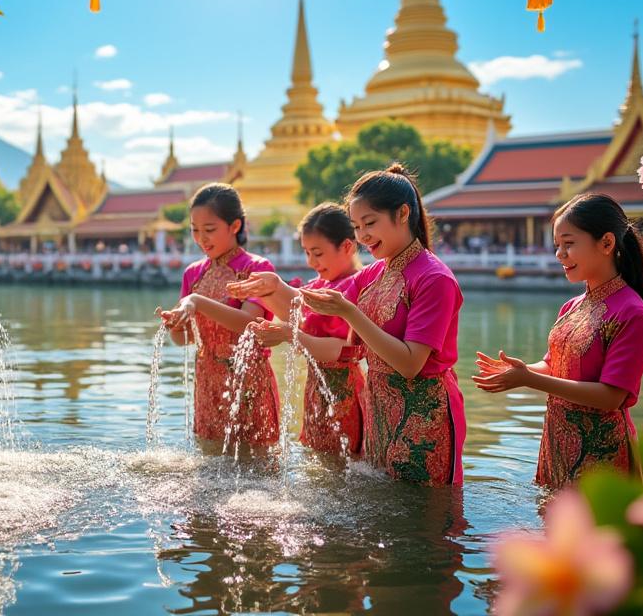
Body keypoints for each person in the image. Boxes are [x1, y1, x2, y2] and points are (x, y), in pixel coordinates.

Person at [294, 166, 465, 485]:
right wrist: (274, 287)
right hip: (379, 410)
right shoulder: (375, 273)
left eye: (370, 223)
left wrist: (351, 313)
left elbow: (411, 363)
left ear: (403, 213)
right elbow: (320, 302)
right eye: (357, 227)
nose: (362, 236)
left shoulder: (434, 278)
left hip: (425, 415)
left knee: (423, 507)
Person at [473, 193, 643, 488]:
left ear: (606, 243)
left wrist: (529, 380)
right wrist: (520, 371)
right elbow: (554, 365)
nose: (559, 254)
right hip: (558, 445)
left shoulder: (633, 314)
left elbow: (611, 397)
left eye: (569, 244)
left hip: (603, 454)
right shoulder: (572, 307)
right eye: (557, 245)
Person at [156, 183, 278, 452]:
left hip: (248, 380)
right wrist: (175, 326)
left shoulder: (256, 268)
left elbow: (248, 324)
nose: (201, 239)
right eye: (195, 230)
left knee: (256, 464)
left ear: (234, 226)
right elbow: (185, 339)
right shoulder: (193, 273)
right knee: (209, 463)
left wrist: (198, 303)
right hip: (207, 385)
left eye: (209, 230)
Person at [236, 202, 364, 455]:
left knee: (346, 464)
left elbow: (346, 349)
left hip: (346, 394)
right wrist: (268, 290)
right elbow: (297, 315)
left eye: (318, 253)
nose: (311, 261)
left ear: (347, 247)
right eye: (306, 252)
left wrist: (289, 334)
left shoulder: (358, 286)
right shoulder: (318, 285)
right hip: (315, 391)